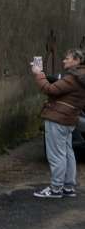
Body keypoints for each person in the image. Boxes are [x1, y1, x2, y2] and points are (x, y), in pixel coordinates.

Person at [30, 48, 85, 198]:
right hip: (69, 119)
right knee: (68, 153)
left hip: (58, 119)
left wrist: (39, 74)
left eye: (67, 58)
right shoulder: (80, 77)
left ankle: (56, 188)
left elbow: (49, 89)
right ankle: (68, 187)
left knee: (56, 155)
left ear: (77, 60)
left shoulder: (73, 78)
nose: (64, 60)